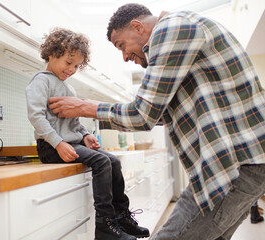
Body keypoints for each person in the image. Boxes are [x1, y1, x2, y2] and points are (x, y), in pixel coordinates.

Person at [48, 4, 265, 240]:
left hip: (233, 164)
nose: (125, 57)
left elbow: (143, 115)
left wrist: (84, 106)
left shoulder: (170, 29)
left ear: (138, 27)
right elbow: (157, 114)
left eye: (122, 45)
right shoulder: (184, 27)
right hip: (244, 161)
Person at [25, 27, 149, 240]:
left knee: (114, 162)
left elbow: (74, 122)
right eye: (68, 63)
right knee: (102, 162)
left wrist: (84, 135)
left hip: (73, 144)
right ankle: (105, 227)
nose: (72, 69)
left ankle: (121, 217)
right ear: (53, 53)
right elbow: (36, 118)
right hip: (53, 147)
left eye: (76, 66)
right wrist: (58, 143)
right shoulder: (41, 81)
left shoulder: (69, 88)